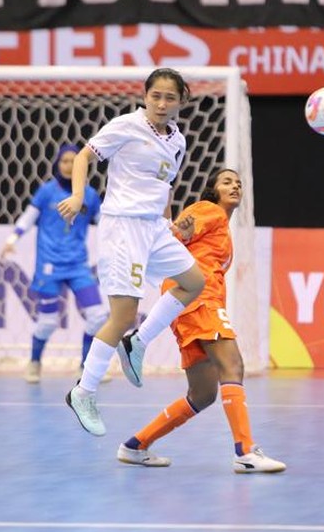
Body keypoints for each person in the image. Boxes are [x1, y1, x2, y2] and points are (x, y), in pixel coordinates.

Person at [58, 68, 206, 437]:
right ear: (145, 96)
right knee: (122, 315)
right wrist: (77, 196)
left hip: (154, 227)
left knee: (194, 281)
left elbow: (165, 185)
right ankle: (83, 392)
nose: (161, 103)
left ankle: (137, 342)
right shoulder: (126, 126)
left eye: (169, 98)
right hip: (123, 226)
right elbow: (83, 157)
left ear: (181, 102)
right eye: (155, 96)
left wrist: (170, 224)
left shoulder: (177, 140)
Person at [115, 169, 286, 473]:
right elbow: (175, 235)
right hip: (198, 299)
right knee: (233, 366)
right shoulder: (209, 210)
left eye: (238, 183)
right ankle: (246, 453)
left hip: (187, 305)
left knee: (203, 394)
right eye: (226, 182)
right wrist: (167, 220)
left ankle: (135, 445)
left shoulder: (223, 229)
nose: (235, 186)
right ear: (213, 190)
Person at [0, 144, 109, 383]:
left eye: (73, 161)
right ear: (57, 164)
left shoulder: (90, 195)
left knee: (98, 315)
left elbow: (106, 223)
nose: (69, 166)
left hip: (78, 266)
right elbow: (28, 217)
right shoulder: (47, 192)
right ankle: (34, 362)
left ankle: (86, 368)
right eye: (64, 161)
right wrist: (12, 239)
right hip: (49, 266)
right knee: (48, 322)